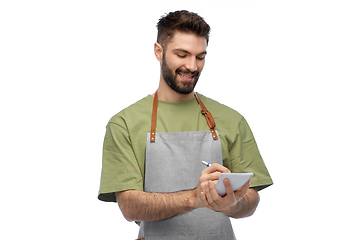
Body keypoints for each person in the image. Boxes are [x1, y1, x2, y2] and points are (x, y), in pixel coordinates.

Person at [98, 10, 273, 240]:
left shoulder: (231, 120)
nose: (192, 66)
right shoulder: (125, 123)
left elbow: (251, 198)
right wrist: (195, 198)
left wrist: (233, 204)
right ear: (158, 52)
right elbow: (129, 206)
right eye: (182, 54)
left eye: (200, 57)